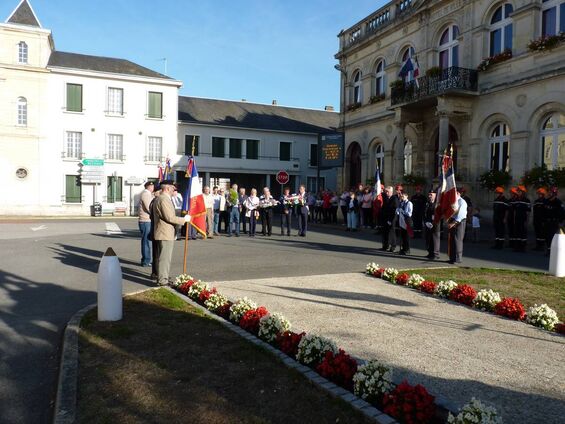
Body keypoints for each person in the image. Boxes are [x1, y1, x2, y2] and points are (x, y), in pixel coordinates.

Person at [152, 180, 191, 286]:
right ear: (168, 188)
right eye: (173, 188)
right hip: (165, 232)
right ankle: (162, 280)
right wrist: (184, 220)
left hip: (164, 232)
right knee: (165, 258)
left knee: (164, 257)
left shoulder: (162, 198)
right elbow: (169, 217)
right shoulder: (164, 199)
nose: (174, 190)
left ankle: (163, 277)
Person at [447, 190, 468, 264]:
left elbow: (461, 214)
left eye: (453, 193)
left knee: (457, 239)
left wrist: (454, 223)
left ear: (458, 193)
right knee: (452, 240)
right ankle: (452, 258)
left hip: (459, 221)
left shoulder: (462, 202)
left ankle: (457, 258)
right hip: (453, 220)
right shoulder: (453, 201)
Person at [545, 187, 565, 255]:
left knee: (552, 236)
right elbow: (543, 212)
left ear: (554, 193)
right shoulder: (546, 201)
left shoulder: (558, 202)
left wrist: (560, 222)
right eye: (549, 192)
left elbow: (562, 213)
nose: (549, 193)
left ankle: (553, 251)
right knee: (547, 236)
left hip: (554, 222)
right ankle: (548, 250)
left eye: (550, 192)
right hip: (547, 222)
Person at [138, 181, 154, 267]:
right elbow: (149, 207)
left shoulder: (148, 194)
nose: (153, 187)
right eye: (151, 186)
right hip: (145, 221)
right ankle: (146, 261)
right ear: (148, 187)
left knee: (147, 241)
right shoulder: (146, 194)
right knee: (146, 242)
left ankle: (146, 260)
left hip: (146, 220)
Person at [380, 186, 399, 252]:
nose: (386, 193)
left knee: (391, 232)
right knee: (385, 232)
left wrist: (390, 220)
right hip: (385, 217)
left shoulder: (394, 198)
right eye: (386, 191)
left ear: (391, 192)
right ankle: (385, 245)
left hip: (392, 218)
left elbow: (395, 210)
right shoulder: (385, 197)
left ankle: (393, 247)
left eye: (387, 191)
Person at [513, 185, 531, 252]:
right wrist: (514, 219)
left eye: (519, 191)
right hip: (517, 219)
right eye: (518, 191)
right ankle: (517, 247)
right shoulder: (516, 200)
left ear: (523, 192)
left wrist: (527, 220)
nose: (518, 192)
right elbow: (515, 210)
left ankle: (523, 247)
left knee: (523, 233)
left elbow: (528, 212)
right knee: (517, 233)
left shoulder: (527, 200)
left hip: (523, 219)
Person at [424, 190, 440, 260]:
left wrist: (433, 222)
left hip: (435, 224)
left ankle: (435, 254)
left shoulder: (437, 204)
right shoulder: (427, 203)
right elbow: (424, 213)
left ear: (435, 195)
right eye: (429, 194)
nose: (429, 196)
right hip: (428, 223)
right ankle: (430, 252)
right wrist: (426, 222)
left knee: (435, 239)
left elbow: (439, 215)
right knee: (428, 238)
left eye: (431, 194)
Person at [149, 188, 162, 280]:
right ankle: (157, 273)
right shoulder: (156, 201)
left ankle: (155, 272)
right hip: (157, 229)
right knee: (158, 253)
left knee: (156, 253)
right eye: (159, 191)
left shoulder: (154, 201)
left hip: (154, 229)